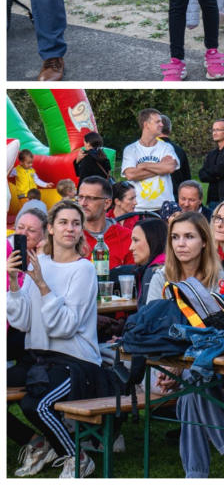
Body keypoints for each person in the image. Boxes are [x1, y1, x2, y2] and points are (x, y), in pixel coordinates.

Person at [145, 212, 224, 478]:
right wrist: (175, 366)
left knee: (194, 384)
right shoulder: (161, 278)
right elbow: (153, 333)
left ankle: (196, 476)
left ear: (204, 241)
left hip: (206, 364)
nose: (180, 244)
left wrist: (183, 367)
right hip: (160, 367)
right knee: (195, 383)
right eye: (175, 237)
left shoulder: (219, 278)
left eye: (189, 237)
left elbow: (223, 331)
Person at [6, 200, 104, 477]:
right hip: (37, 357)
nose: (69, 228)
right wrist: (14, 282)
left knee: (35, 404)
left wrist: (40, 283)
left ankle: (77, 458)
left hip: (75, 361)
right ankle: (36, 442)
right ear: (50, 228)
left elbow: (66, 327)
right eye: (63, 222)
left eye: (75, 223)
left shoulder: (83, 269)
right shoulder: (40, 262)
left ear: (82, 229)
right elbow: (23, 322)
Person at [122, 108, 179, 212]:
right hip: (138, 208)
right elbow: (131, 175)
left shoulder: (166, 147)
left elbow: (170, 168)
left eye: (161, 121)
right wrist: (161, 167)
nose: (161, 124)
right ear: (146, 125)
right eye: (157, 122)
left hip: (165, 208)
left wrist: (143, 165)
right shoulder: (131, 149)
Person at [77, 176, 133, 266]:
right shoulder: (70, 235)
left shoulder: (128, 237)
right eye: (80, 197)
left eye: (90, 198)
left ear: (107, 203)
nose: (82, 203)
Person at [128, 216, 168, 303]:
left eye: (136, 240)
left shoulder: (152, 273)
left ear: (153, 241)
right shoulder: (174, 265)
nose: (131, 248)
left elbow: (149, 314)